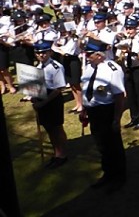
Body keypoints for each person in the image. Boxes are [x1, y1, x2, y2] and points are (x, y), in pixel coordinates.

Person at [79, 39, 127, 191]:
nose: (87, 56)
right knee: (101, 145)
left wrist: (117, 118)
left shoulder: (113, 70)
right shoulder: (88, 67)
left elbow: (119, 96)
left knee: (113, 145)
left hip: (107, 111)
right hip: (93, 111)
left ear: (100, 55)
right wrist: (84, 109)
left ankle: (119, 176)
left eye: (90, 54)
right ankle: (108, 173)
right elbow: (87, 89)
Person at [31, 40, 69, 168]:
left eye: (43, 52)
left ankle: (62, 154)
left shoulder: (56, 67)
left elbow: (59, 89)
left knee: (56, 128)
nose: (41, 55)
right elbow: (35, 85)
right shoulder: (38, 67)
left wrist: (43, 103)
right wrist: (34, 98)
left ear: (50, 52)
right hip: (41, 98)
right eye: (38, 53)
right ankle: (56, 152)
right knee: (48, 128)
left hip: (53, 100)